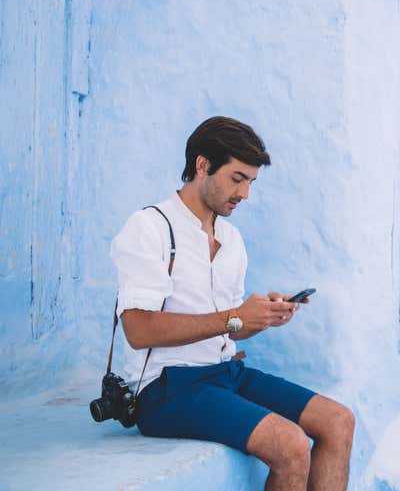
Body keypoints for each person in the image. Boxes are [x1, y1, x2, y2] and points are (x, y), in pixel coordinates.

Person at [110, 116, 355, 491]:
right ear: (203, 165)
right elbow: (138, 330)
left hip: (224, 373)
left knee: (338, 421)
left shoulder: (231, 240)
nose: (244, 194)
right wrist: (235, 318)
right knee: (290, 445)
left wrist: (262, 318)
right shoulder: (150, 227)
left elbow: (229, 329)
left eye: (251, 183)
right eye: (237, 179)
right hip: (166, 387)